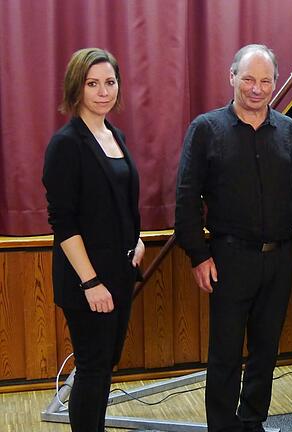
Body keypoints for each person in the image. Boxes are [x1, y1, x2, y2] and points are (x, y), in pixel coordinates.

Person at [175, 44, 292, 432]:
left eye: (265, 80)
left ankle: (252, 421)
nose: (256, 88)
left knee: (265, 352)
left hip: (278, 259)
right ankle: (222, 426)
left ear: (275, 82)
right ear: (232, 78)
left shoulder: (290, 132)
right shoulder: (206, 129)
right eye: (248, 79)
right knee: (224, 354)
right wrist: (197, 255)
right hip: (227, 259)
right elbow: (187, 197)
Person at [43, 47, 144, 431]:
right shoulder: (67, 143)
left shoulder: (112, 134)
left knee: (104, 368)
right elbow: (63, 222)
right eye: (92, 84)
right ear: (77, 88)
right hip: (88, 282)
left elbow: (117, 203)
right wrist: (91, 282)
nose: (103, 91)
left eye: (110, 82)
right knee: (92, 368)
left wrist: (137, 240)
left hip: (118, 274)